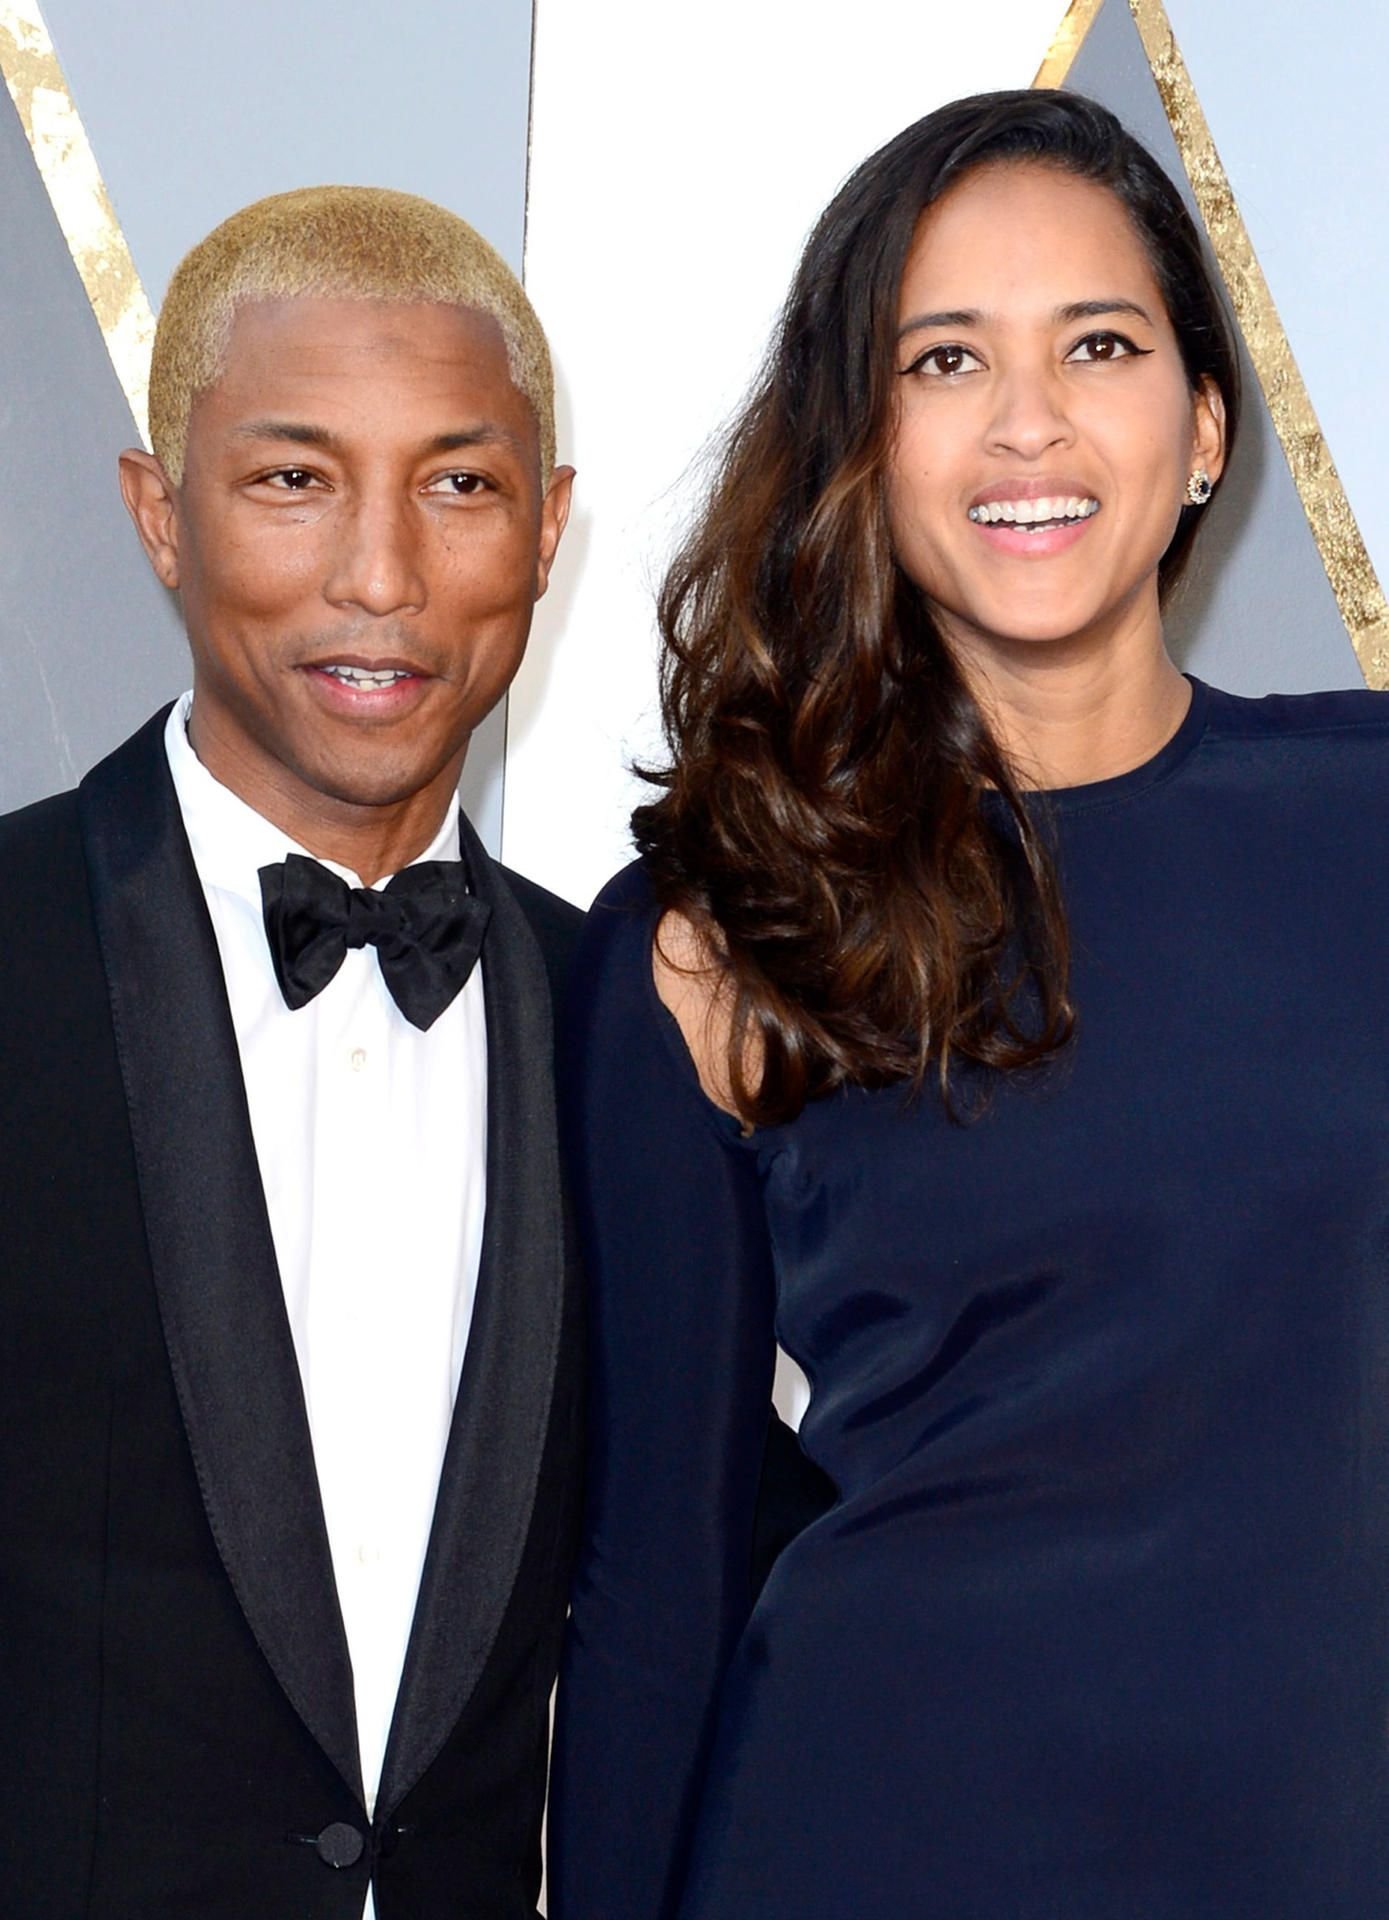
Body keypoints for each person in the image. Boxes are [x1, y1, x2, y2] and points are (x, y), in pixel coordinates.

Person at [549, 88, 1389, 1918]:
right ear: (860, 438)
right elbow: (653, 1592)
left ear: (1202, 429)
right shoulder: (718, 932)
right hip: (865, 1842)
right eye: (944, 360)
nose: (1027, 420)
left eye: (1098, 345)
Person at [0, 186, 582, 1919]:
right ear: (159, 516)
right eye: (293, 481)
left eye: (458, 486)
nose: (380, 577)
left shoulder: (627, 1017)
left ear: (547, 529)